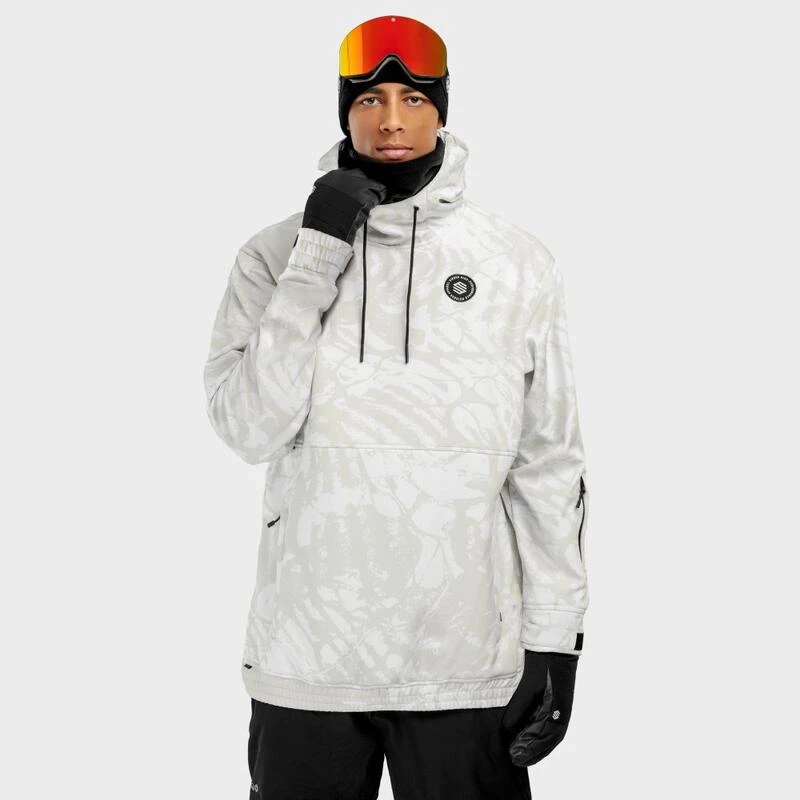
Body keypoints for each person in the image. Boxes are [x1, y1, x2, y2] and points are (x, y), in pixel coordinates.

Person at [203, 14, 591, 800]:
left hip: (463, 660)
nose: (390, 121)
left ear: (442, 109)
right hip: (307, 658)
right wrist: (316, 256)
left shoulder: (515, 261)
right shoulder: (273, 254)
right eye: (369, 99)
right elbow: (249, 428)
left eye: (413, 99)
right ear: (342, 111)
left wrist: (557, 639)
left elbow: (548, 463)